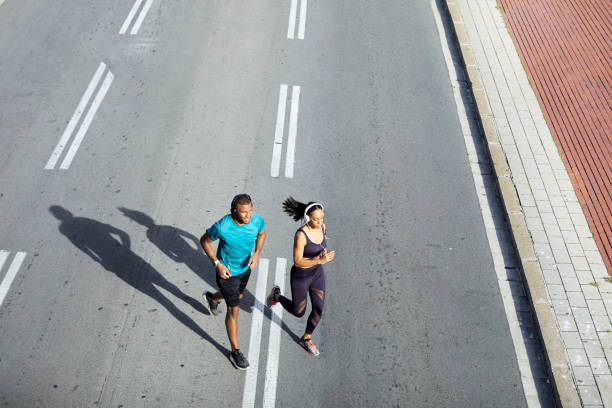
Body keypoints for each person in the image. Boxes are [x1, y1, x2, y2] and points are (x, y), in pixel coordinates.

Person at [200, 194, 266, 369]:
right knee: (234, 309)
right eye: (244, 212)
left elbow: (262, 234)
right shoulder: (223, 226)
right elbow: (204, 241)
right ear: (234, 211)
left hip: (245, 269)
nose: (248, 216)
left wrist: (257, 253)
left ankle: (212, 298)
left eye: (250, 211)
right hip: (226, 273)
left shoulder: (256, 220)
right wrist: (217, 264)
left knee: (239, 295)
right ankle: (235, 351)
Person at [266, 197, 335, 356]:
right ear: (307, 218)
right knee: (299, 312)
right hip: (301, 276)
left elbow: (320, 246)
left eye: (321, 218)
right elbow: (297, 261)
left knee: (318, 309)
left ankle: (306, 338)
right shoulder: (301, 235)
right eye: (316, 219)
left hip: (317, 274)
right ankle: (276, 296)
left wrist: (322, 254)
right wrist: (320, 259)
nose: (319, 221)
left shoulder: (322, 228)